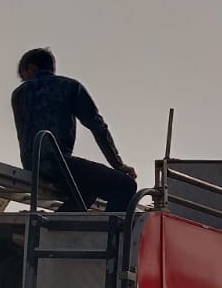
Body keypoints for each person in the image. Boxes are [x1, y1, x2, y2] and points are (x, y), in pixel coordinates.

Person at [11, 47, 137, 212]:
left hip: (31, 163)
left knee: (87, 191)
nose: (24, 80)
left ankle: (54, 225)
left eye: (23, 76)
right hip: (57, 163)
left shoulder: (18, 94)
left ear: (31, 69)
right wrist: (118, 164)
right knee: (125, 185)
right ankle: (109, 229)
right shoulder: (69, 87)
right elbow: (97, 126)